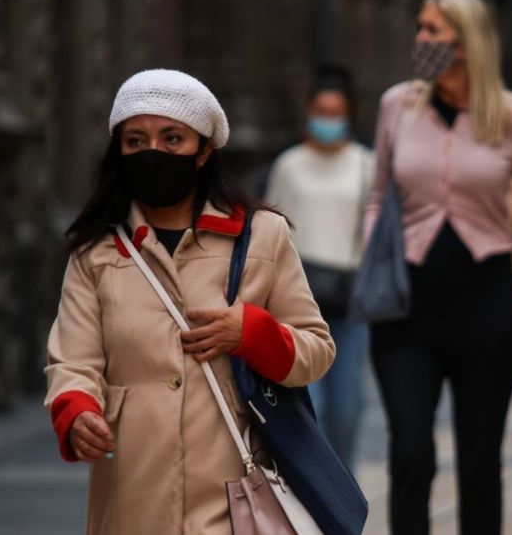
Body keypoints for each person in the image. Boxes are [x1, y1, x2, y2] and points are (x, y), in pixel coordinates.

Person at [44, 69, 335, 534]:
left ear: (203, 151)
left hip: (235, 497)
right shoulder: (96, 252)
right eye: (135, 141)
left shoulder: (262, 235)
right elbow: (72, 360)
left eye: (172, 138)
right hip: (132, 498)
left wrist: (252, 334)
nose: (153, 152)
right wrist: (77, 412)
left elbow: (316, 350)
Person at [365, 0, 512, 532]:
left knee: (479, 462)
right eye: (421, 28)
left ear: (465, 41)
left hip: (488, 302)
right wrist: (373, 257)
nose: (420, 39)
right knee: (410, 453)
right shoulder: (396, 106)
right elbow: (378, 197)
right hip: (407, 307)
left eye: (433, 30)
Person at [266, 65, 372, 470]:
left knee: (347, 405)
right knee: (308, 400)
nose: (328, 119)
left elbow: (375, 232)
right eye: (321, 111)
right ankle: (312, 486)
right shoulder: (289, 165)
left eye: (336, 111)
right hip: (297, 296)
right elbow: (270, 230)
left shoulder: (367, 164)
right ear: (309, 113)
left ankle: (341, 481)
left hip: (349, 298)